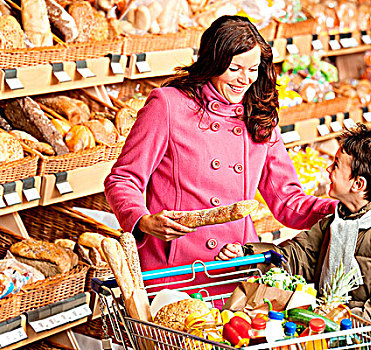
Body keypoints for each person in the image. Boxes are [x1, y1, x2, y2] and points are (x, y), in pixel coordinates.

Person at [104, 15, 337, 291]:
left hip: (236, 268)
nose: (245, 79)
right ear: (213, 62)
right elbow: (122, 179)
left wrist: (344, 210)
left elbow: (288, 202)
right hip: (175, 271)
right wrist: (143, 220)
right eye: (235, 68)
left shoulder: (259, 118)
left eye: (253, 69)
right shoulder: (168, 105)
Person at [217, 124, 371, 350]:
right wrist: (249, 255)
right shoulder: (334, 223)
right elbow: (296, 256)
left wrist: (338, 321)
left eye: (336, 165)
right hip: (334, 337)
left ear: (358, 184)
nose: (328, 169)